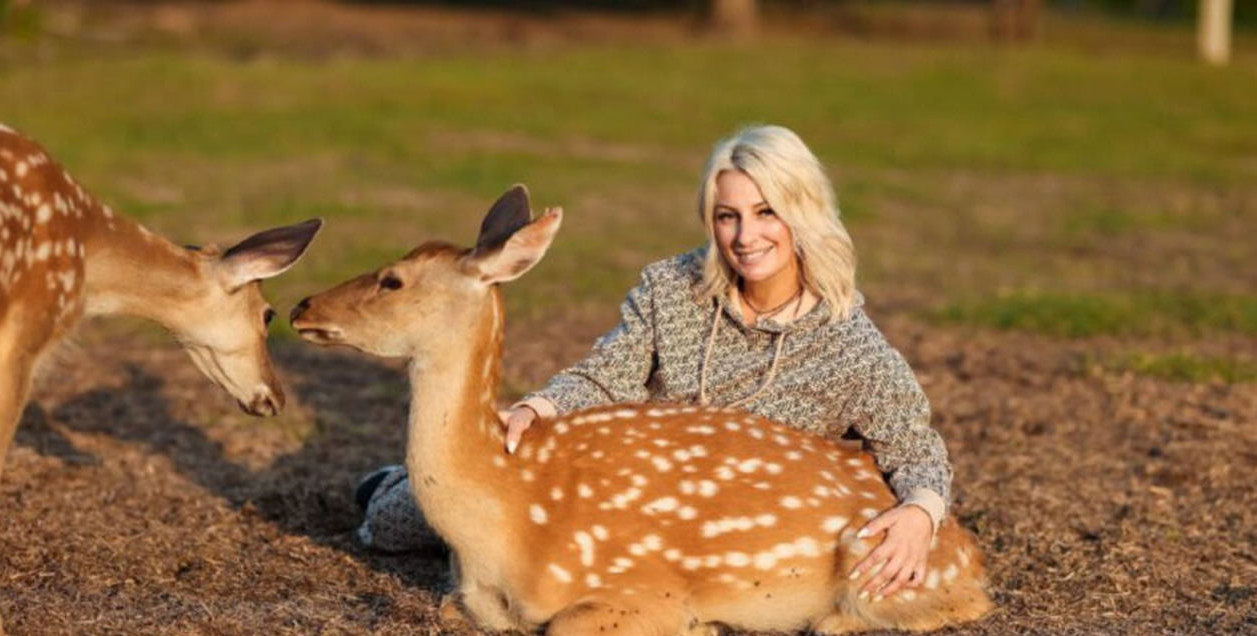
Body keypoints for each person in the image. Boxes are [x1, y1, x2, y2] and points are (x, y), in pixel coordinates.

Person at [355, 125, 953, 600]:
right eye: (728, 216)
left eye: (767, 212)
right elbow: (609, 373)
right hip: (623, 483)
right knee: (400, 521)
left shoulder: (851, 347)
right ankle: (393, 482)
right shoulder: (673, 288)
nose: (746, 236)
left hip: (713, 523)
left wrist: (921, 517)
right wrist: (540, 407)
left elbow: (915, 450)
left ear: (804, 214)